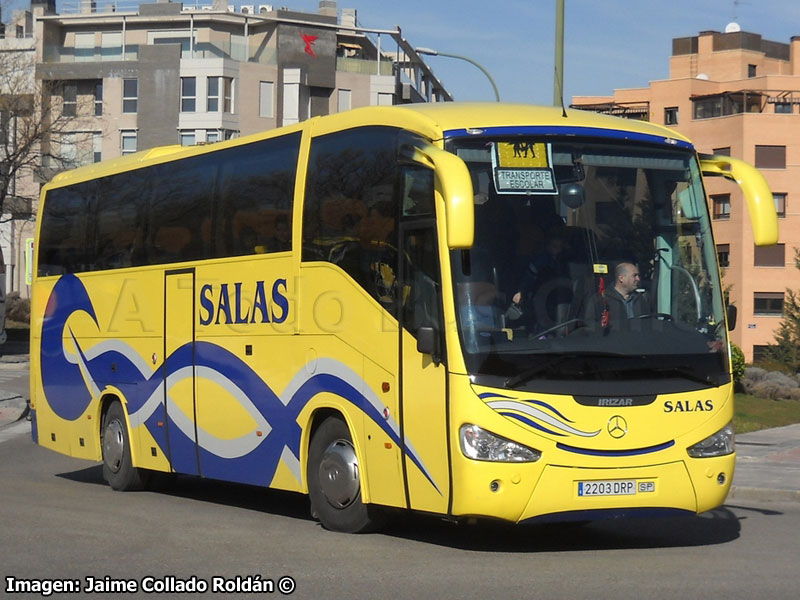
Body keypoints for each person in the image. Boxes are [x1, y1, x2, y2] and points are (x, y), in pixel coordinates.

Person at [584, 261, 650, 331]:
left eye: (638, 276)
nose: (638, 279)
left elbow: (648, 324)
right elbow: (590, 328)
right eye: (634, 275)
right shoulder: (599, 300)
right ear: (621, 278)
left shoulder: (640, 299)